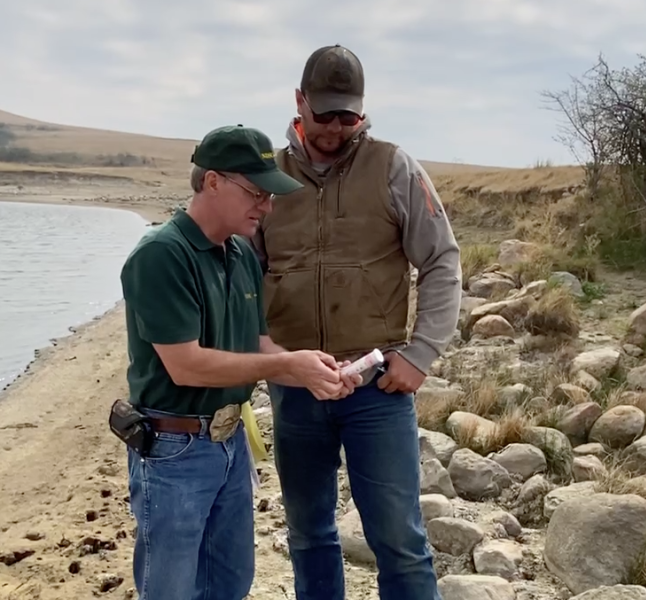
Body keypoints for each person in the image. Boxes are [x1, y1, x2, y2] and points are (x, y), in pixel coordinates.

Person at [250, 45, 462, 600]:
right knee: (308, 535)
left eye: (349, 116)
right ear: (300, 102)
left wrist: (420, 354)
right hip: (296, 387)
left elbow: (442, 260)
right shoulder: (269, 178)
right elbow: (242, 277)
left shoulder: (394, 167)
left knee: (400, 541)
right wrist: (265, 358)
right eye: (325, 114)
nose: (336, 128)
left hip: (378, 388)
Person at [119, 124, 362, 600]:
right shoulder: (161, 255)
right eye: (257, 193)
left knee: (230, 583)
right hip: (174, 451)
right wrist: (286, 367)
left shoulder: (241, 255)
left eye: (269, 195)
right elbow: (186, 366)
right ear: (212, 182)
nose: (266, 207)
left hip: (230, 444)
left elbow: (258, 346)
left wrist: (313, 370)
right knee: (170, 590)